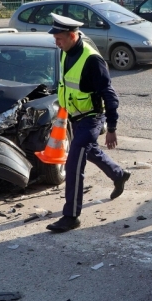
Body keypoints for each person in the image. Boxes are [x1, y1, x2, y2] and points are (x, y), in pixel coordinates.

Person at [46, 14, 131, 233]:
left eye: (59, 38)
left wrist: (112, 128)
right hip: (75, 118)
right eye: (55, 38)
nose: (56, 42)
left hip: (92, 118)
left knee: (74, 162)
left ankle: (71, 216)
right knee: (90, 151)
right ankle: (119, 174)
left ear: (72, 36)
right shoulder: (65, 53)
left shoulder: (92, 60)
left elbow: (110, 96)